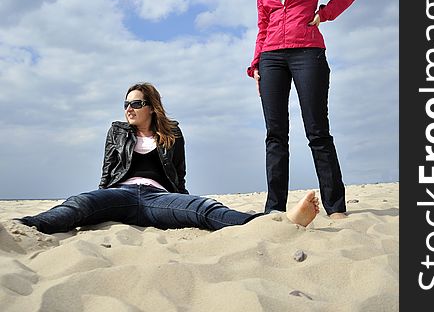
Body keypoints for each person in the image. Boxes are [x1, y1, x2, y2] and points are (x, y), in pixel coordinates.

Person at [15, 82, 320, 234]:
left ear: (152, 106)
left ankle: (272, 225)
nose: (128, 108)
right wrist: (100, 199)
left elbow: (179, 177)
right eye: (125, 103)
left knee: (204, 208)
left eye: (136, 102)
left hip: (158, 199)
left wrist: (182, 203)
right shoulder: (117, 132)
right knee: (79, 203)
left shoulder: (172, 134)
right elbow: (107, 173)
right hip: (118, 195)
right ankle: (25, 225)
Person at [247, 0, 355, 219]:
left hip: (308, 52)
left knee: (317, 131)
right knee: (275, 134)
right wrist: (256, 64)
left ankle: (335, 208)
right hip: (271, 57)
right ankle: (274, 209)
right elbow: (263, 25)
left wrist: (324, 14)